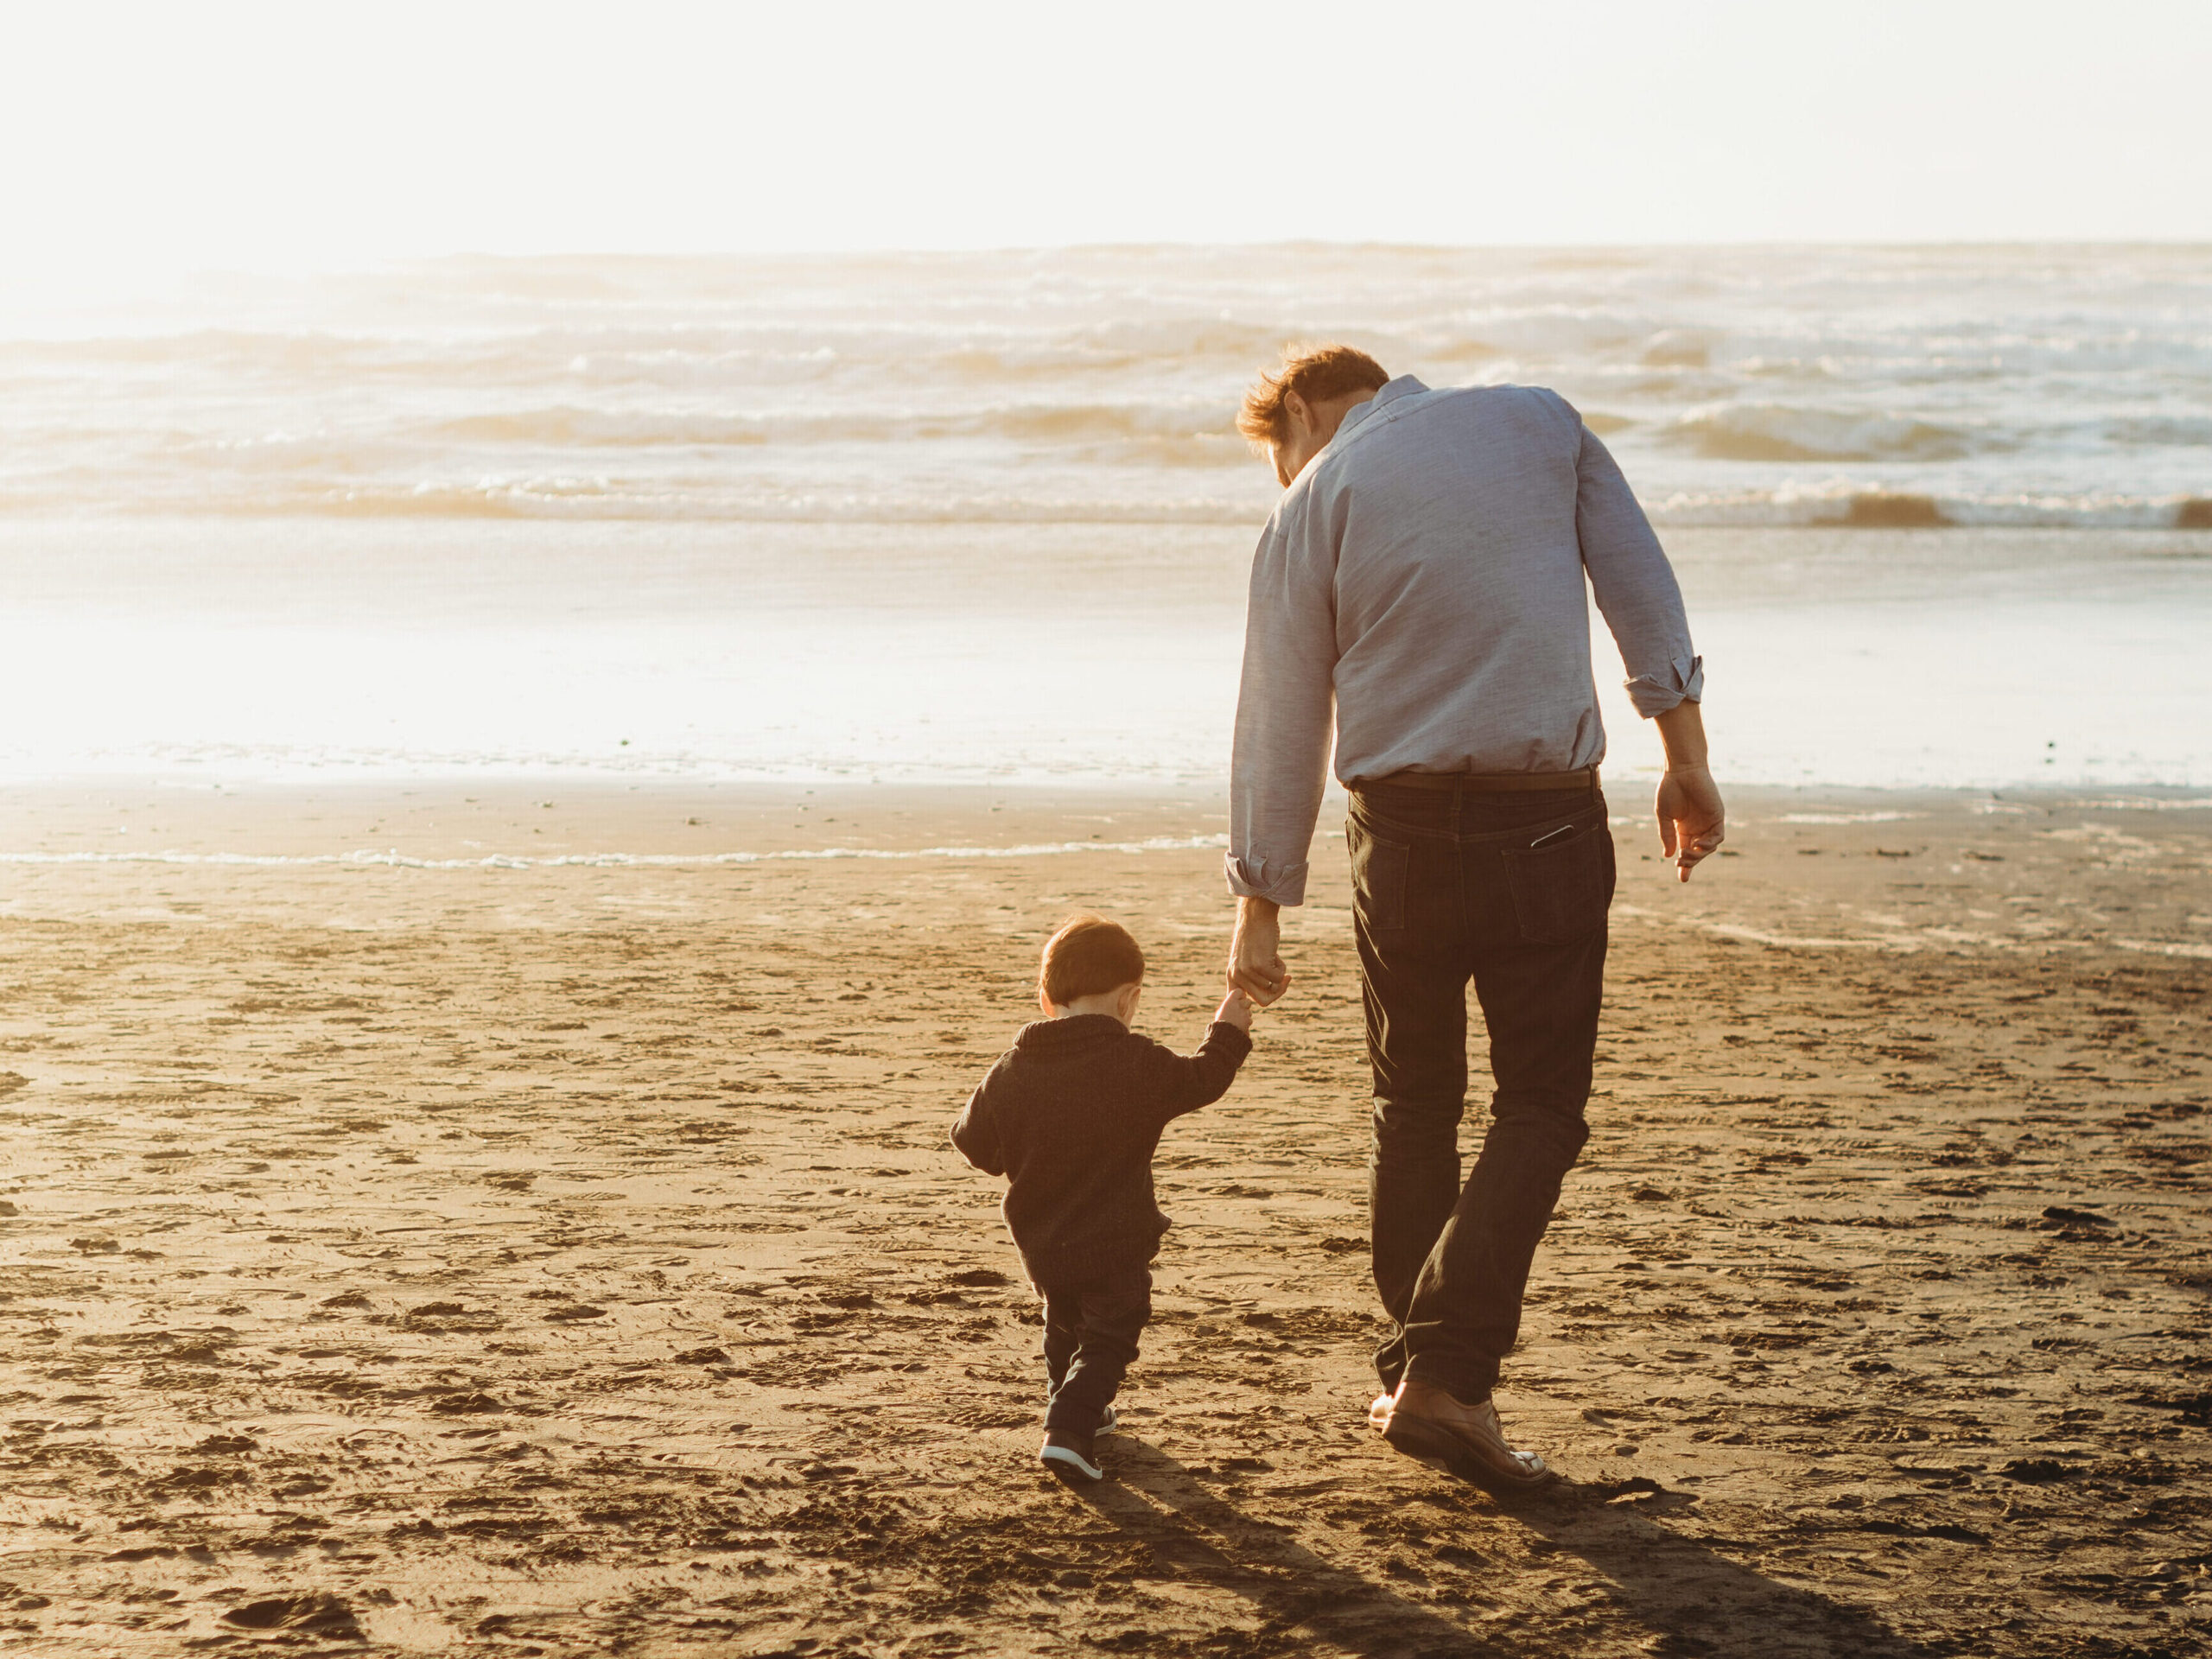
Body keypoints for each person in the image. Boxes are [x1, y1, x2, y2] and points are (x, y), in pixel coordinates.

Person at [1223, 344, 1725, 1494]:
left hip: (1393, 835)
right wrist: (1684, 757)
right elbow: (1638, 583)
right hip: (1541, 820)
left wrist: (1260, 904)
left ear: (1304, 411)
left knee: (1416, 1110)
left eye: (1278, 457)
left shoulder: (1311, 508)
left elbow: (1280, 716)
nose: (1285, 478)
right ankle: (1443, 1379)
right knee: (1540, 1105)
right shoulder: (1535, 422)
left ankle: (1423, 1378)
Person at [950, 914, 1254, 1484]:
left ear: (1046, 998)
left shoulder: (1011, 1070)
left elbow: (973, 1143)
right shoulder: (1134, 1062)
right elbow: (1203, 1078)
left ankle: (1079, 1405)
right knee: (1113, 1331)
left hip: (1042, 1243)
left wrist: (1018, 1149)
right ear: (1128, 1000)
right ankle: (1067, 1427)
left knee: (1064, 1321)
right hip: (1113, 1241)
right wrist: (1228, 1029)